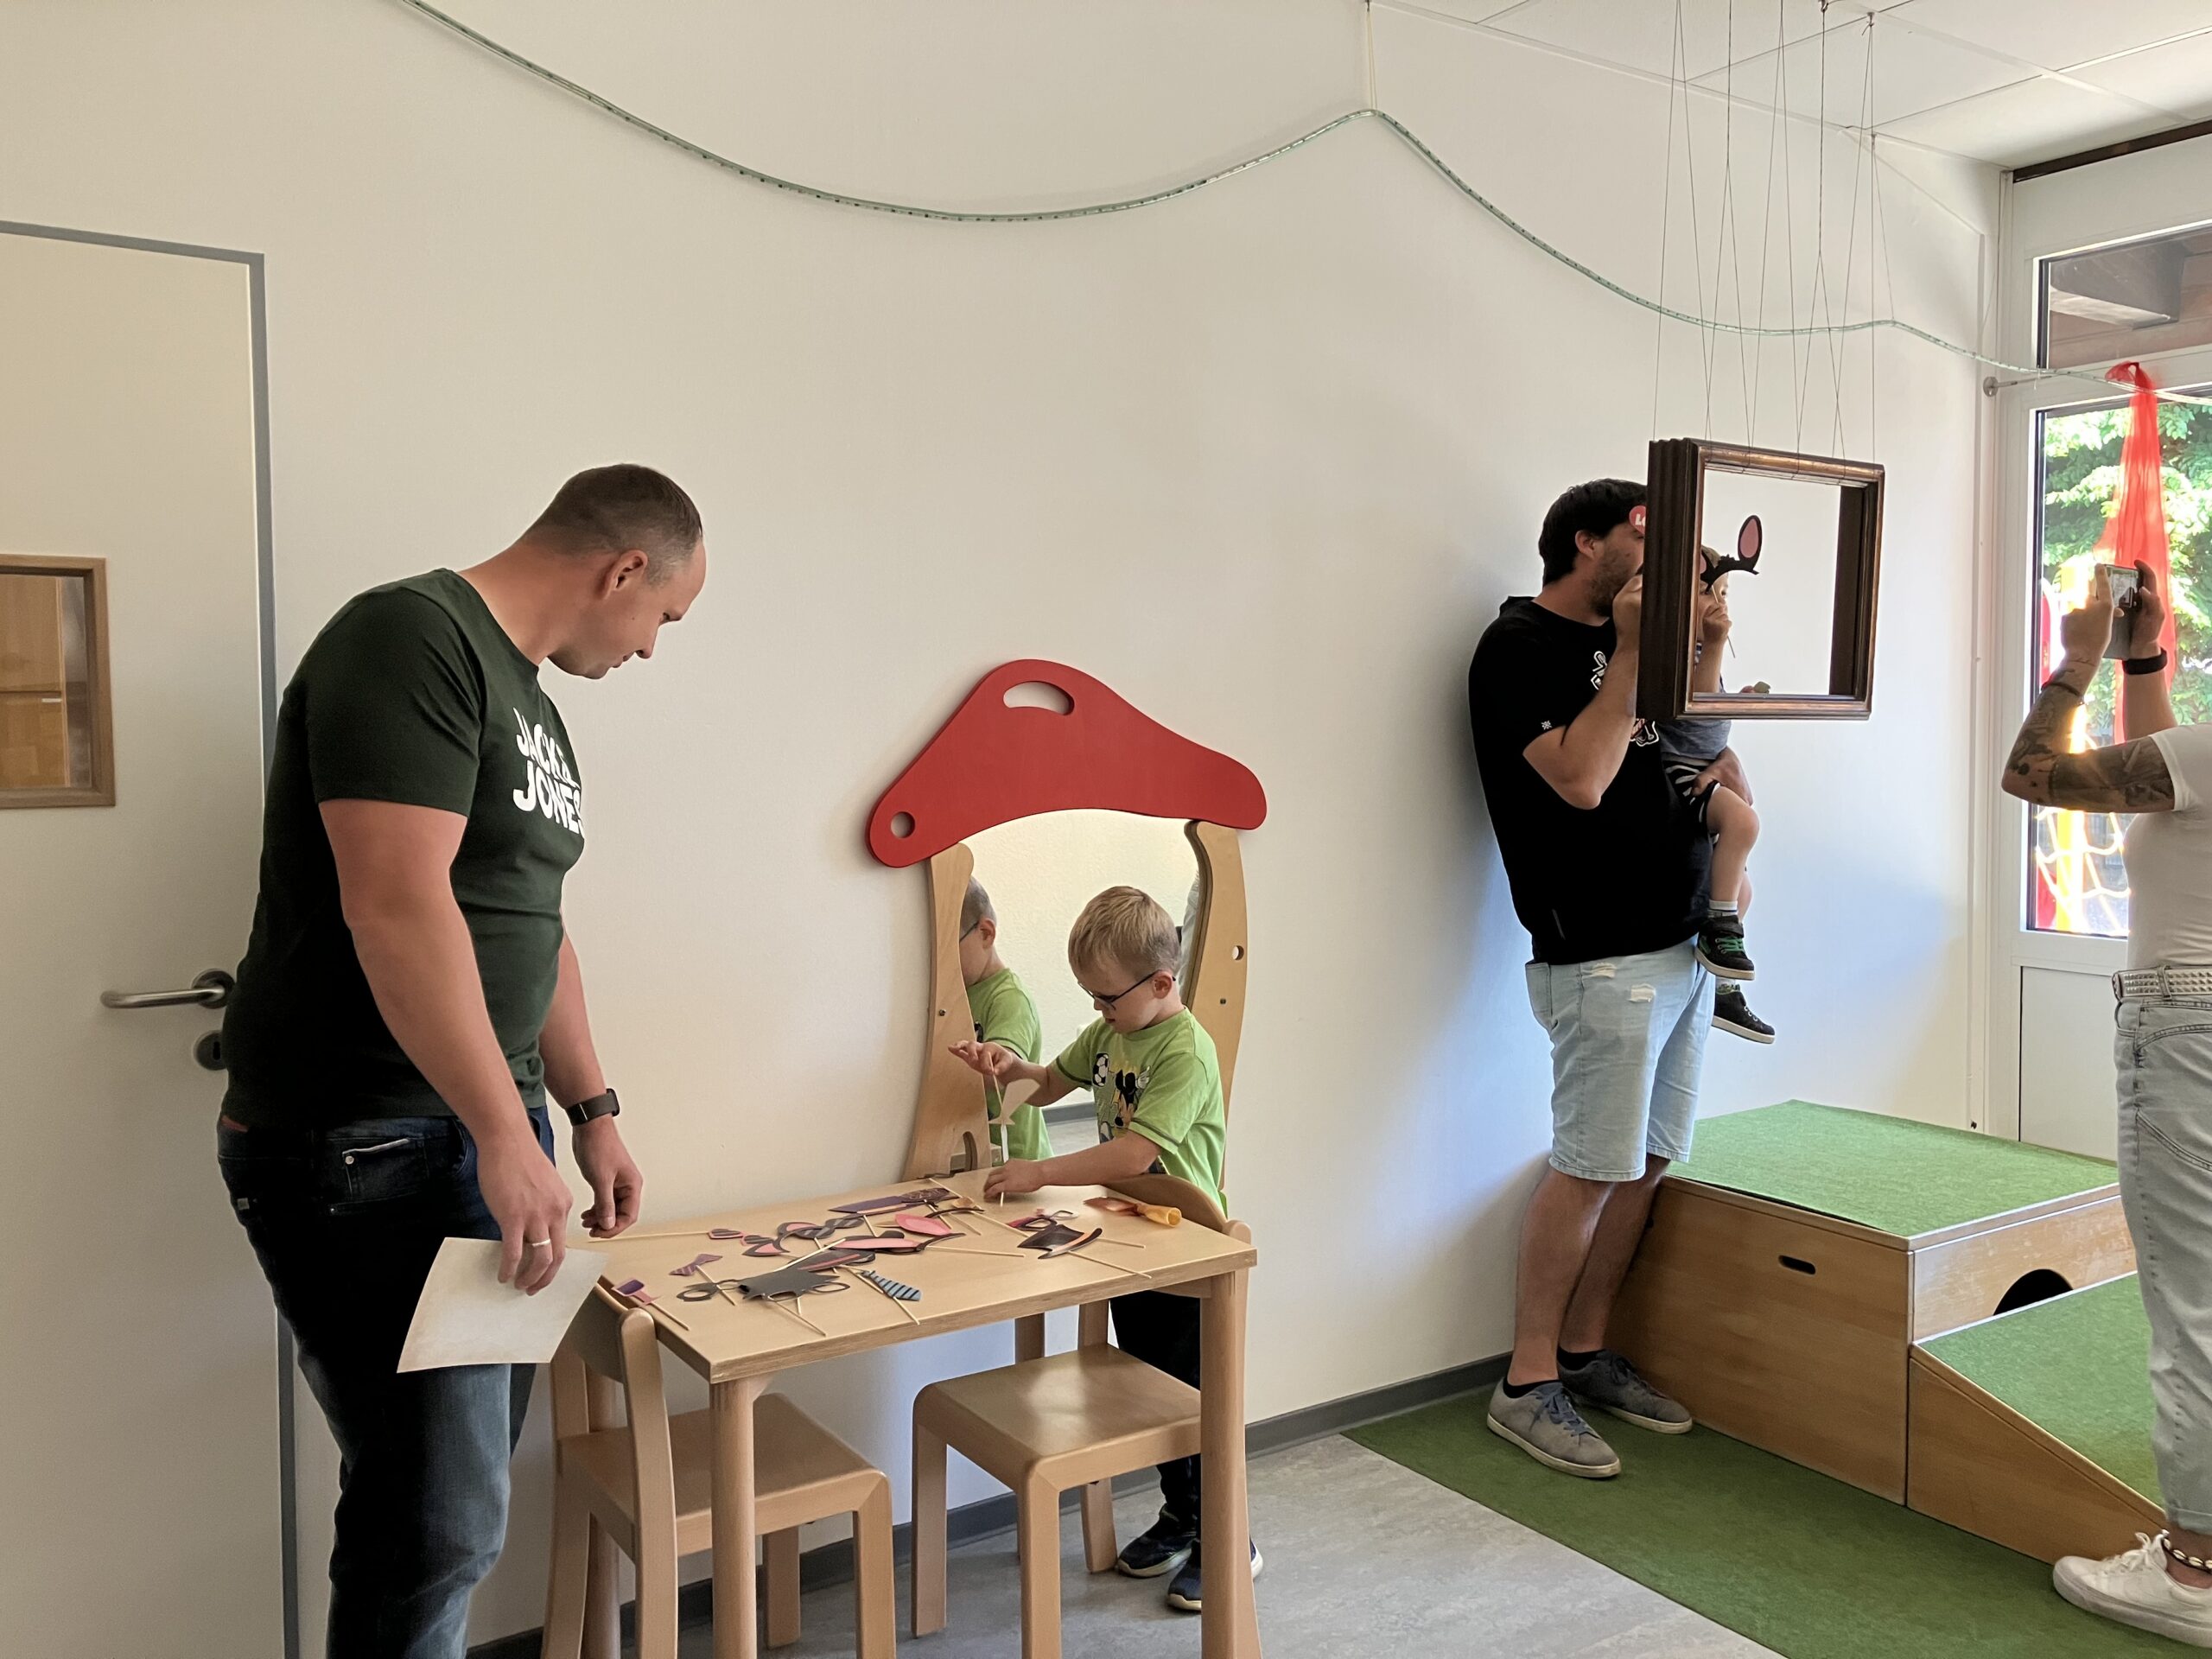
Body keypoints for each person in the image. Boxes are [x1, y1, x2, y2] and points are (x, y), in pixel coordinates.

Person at [215, 464, 707, 1659]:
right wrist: (499, 1130)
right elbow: (395, 903)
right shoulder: (411, 638)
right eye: (664, 616)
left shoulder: (530, 705)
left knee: (450, 1515)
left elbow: (533, 924)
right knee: (432, 1524)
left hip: (471, 1135)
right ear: (622, 569)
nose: (653, 648)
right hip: (371, 1138)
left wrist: (590, 1111)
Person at [1467, 477, 1751, 1479]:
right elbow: (1582, 781)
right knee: (1590, 1165)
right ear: (1587, 542)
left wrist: (1703, 650)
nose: (1675, 565)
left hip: (1684, 944)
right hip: (1598, 951)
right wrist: (1632, 651)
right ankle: (1525, 1381)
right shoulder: (1517, 646)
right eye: (1651, 540)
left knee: (1649, 1160)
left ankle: (1583, 1353)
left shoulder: (1649, 642)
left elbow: (1707, 765)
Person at [2000, 561, 2212, 1647]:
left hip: (2188, 1029)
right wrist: (2143, 662)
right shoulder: (2195, 762)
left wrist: (2075, 659)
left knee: (2193, 1309)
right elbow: (2171, 783)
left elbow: (2031, 773)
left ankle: (2193, 1576)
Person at [948, 885, 1256, 1615]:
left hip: (1189, 1251)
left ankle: (1227, 1537)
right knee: (1147, 1390)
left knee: (1195, 1397)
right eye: (1089, 995)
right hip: (1130, 1238)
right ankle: (1181, 1517)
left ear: (1161, 984)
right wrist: (1008, 1066)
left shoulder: (1186, 1052)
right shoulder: (1112, 1031)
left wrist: (1041, 1173)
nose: (1097, 1009)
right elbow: (1050, 1083)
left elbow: (1132, 1154)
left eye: (1106, 997)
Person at [1656, 549, 1773, 1043]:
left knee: (1743, 889)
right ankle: (1720, 929)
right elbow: (1696, 705)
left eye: (1724, 593)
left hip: (1704, 766)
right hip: (1681, 771)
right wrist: (1717, 643)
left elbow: (1710, 703)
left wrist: (1737, 699)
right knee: (1744, 822)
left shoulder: (1704, 653)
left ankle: (1722, 988)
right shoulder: (1678, 651)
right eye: (1707, 591)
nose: (1719, 603)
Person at [959, 876, 1050, 1165]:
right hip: (978, 1154)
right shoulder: (957, 991)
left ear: (986, 934)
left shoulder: (1010, 999)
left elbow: (1001, 1069)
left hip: (1017, 1158)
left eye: (949, 948)